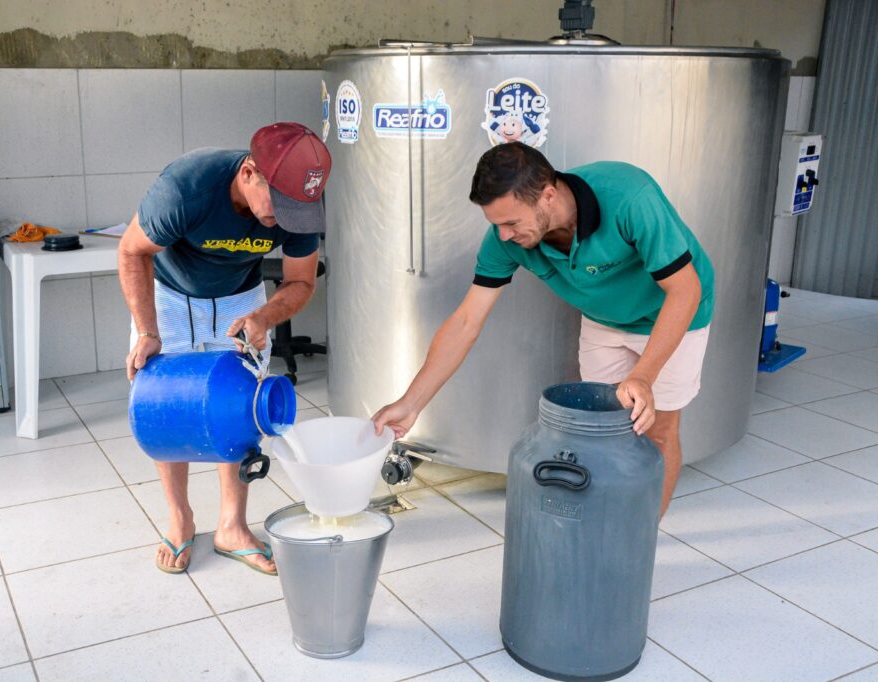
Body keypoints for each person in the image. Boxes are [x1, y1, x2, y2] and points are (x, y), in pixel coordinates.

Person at [373, 143, 714, 517]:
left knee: (659, 430)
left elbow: (685, 290)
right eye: (496, 224)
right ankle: (609, 526)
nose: (503, 235)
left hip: (672, 311)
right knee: (599, 430)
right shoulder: (505, 240)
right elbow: (466, 321)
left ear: (548, 196)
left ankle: (640, 539)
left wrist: (644, 376)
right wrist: (411, 403)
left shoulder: (629, 196)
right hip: (603, 318)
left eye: (511, 223)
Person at [119, 122, 330, 574]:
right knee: (167, 406)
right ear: (249, 173)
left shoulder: (300, 205)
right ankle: (180, 518)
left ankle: (231, 526)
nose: (287, 219)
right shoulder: (187, 188)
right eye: (280, 206)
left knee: (239, 407)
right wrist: (148, 331)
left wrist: (264, 317)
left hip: (241, 297)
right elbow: (132, 251)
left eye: (298, 209)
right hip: (171, 294)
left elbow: (301, 281)